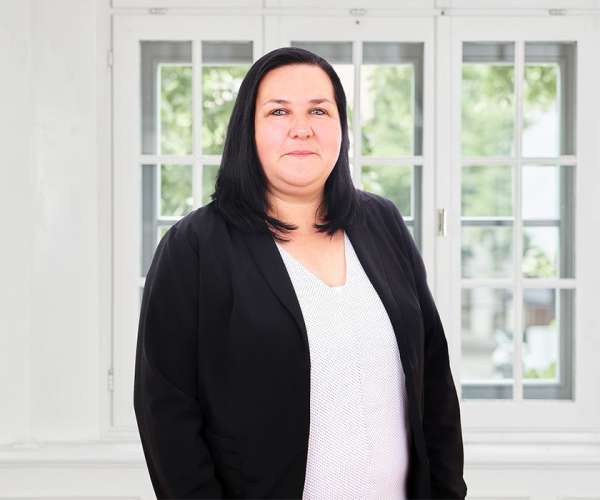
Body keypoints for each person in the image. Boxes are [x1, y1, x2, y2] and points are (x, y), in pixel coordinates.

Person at [133, 46, 467, 500]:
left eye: (319, 110)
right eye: (278, 111)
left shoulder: (383, 223)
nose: (301, 127)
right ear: (247, 130)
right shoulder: (193, 248)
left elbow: (434, 380)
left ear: (341, 127)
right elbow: (166, 413)